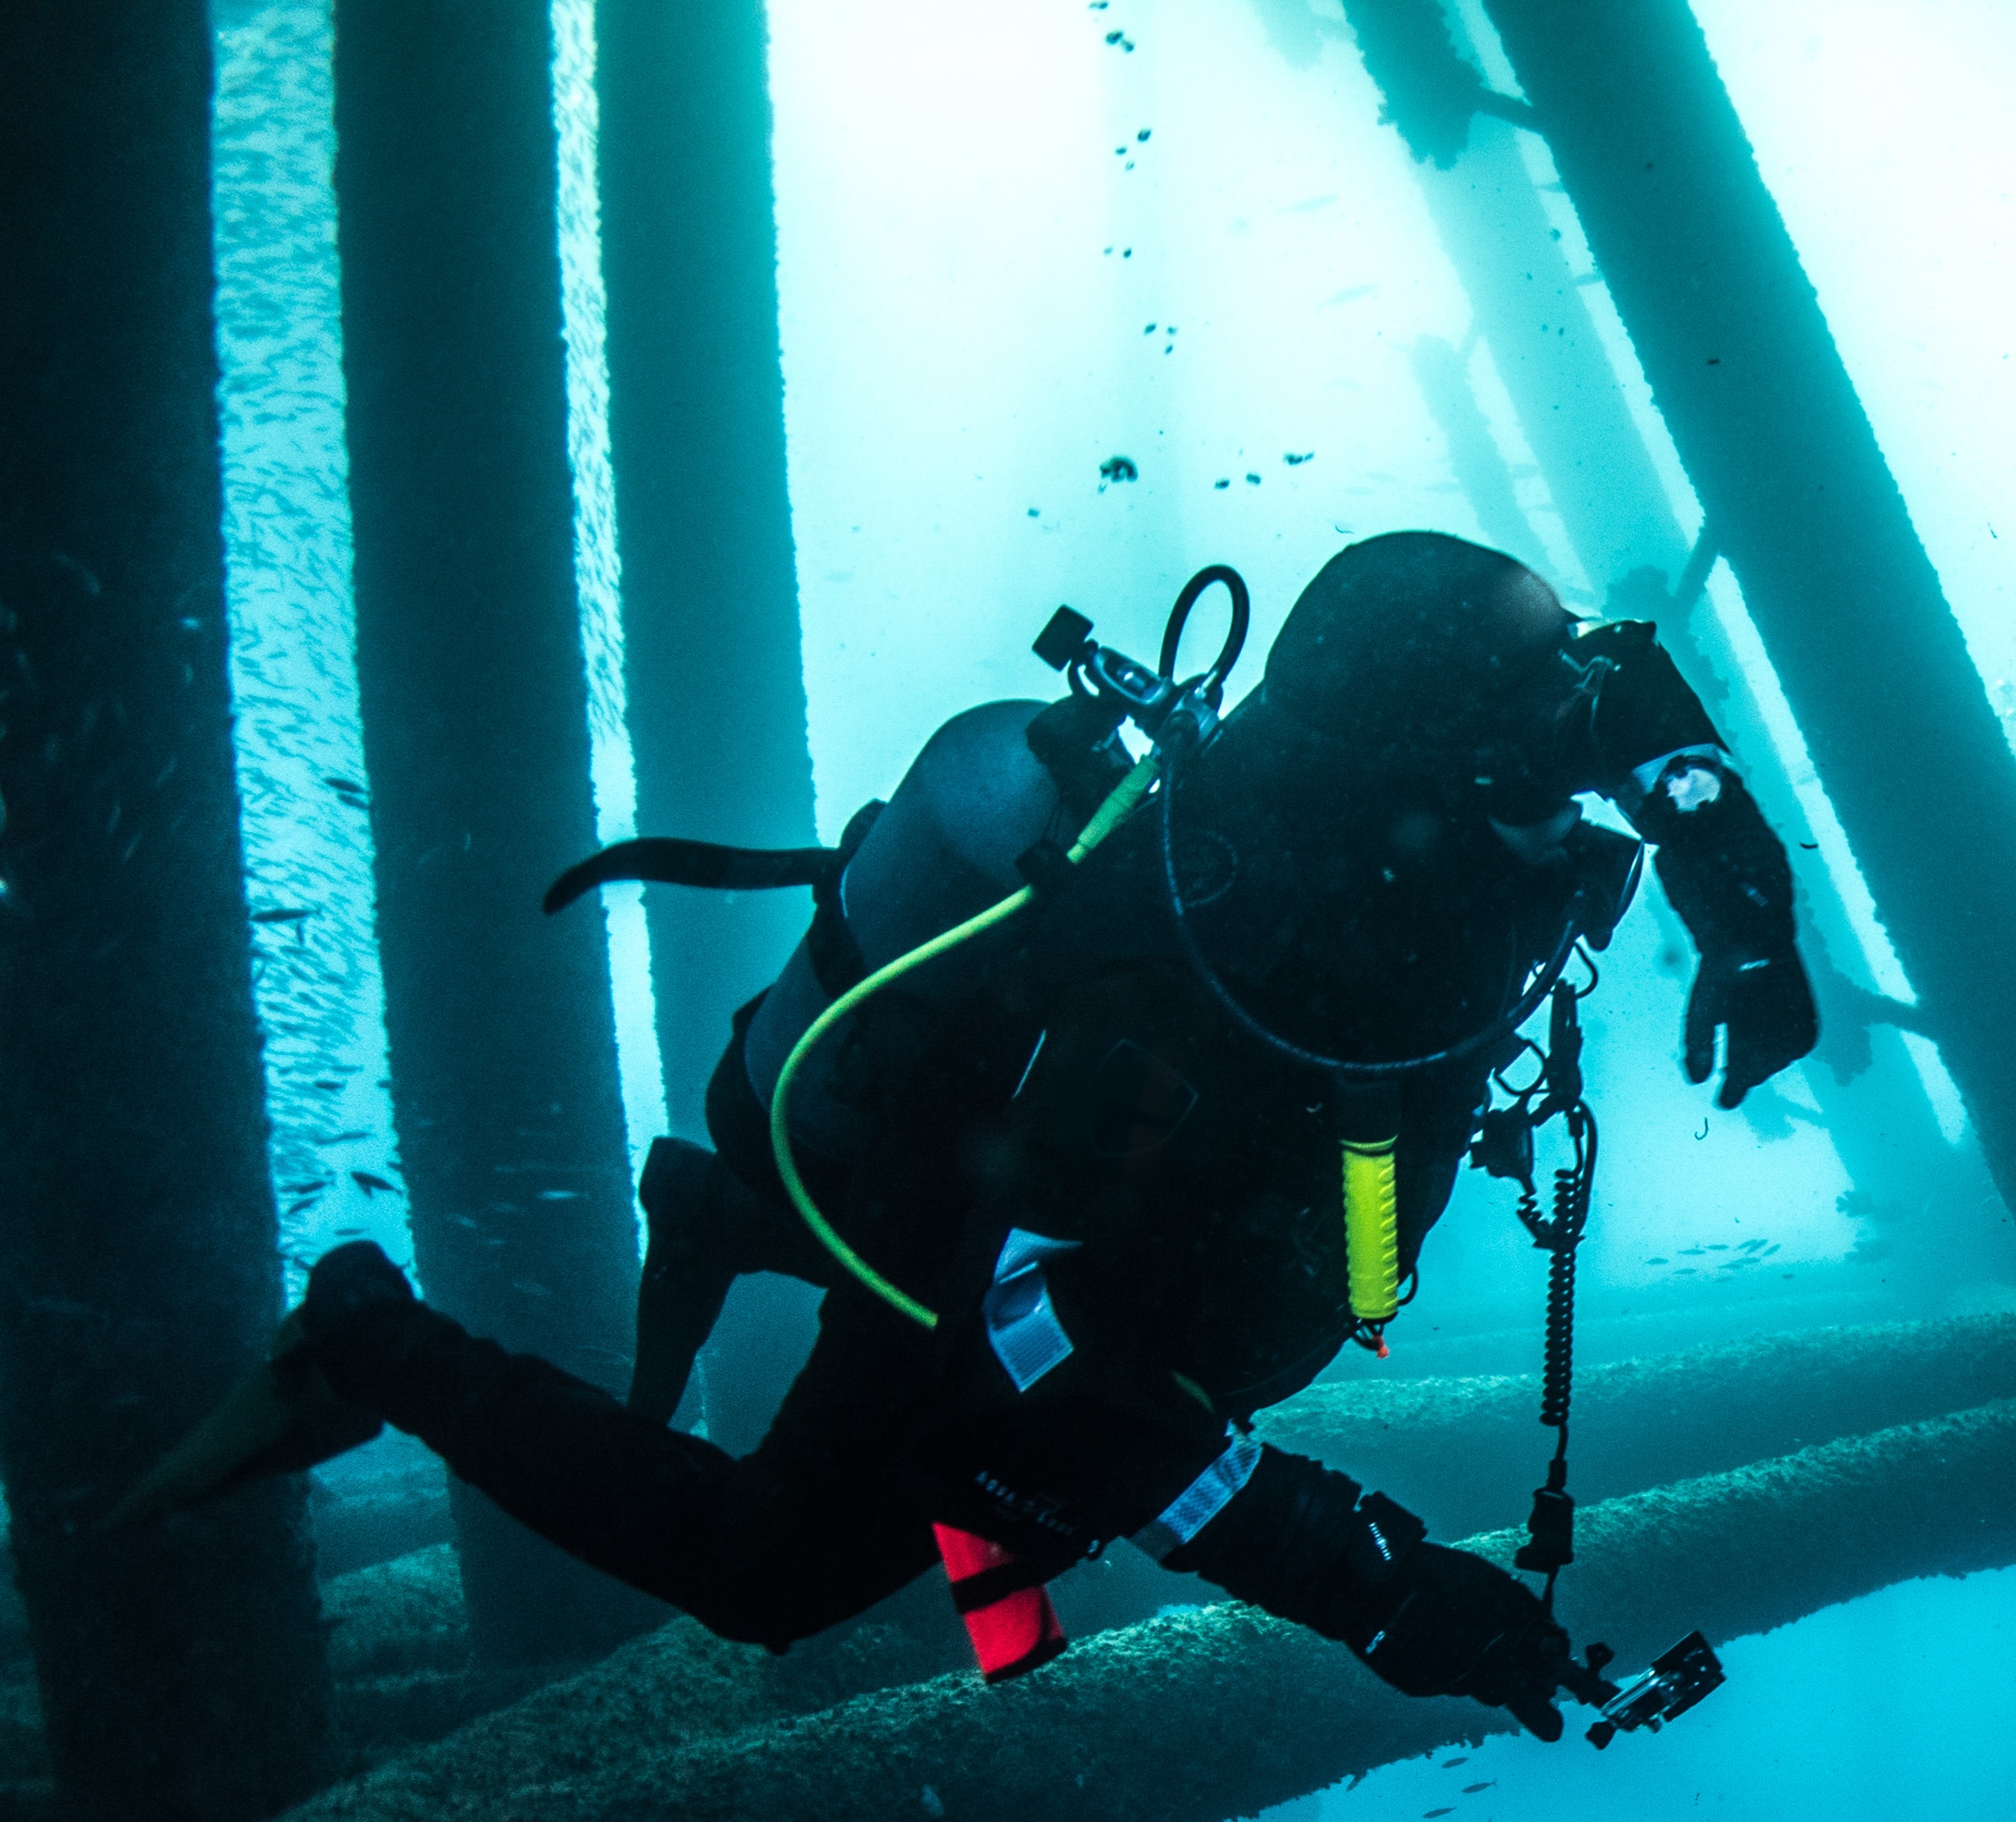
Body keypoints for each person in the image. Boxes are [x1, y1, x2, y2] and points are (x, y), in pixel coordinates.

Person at [135, 532, 1815, 1727]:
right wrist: (1368, 1581)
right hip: (1006, 1263)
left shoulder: (1451, 819)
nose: (1562, 812)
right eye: (1518, 770)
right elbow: (1027, 1343)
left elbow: (1622, 699)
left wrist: (1749, 915)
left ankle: (735, 1219)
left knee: (1046, 1495)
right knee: (764, 1574)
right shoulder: (1174, 998)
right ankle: (366, 1338)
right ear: (1417, 785)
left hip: (1175, 1285)